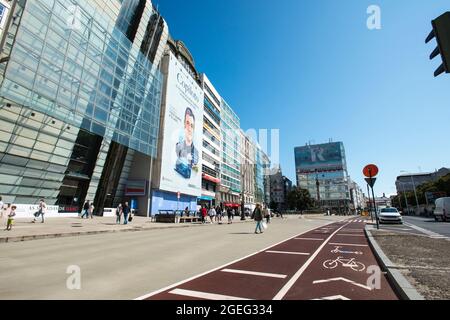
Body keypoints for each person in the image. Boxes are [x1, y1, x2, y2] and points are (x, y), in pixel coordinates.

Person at [175, 108, 199, 179]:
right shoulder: (178, 146)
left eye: (192, 126)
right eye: (187, 123)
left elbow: (195, 171)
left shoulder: (196, 153)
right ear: (184, 124)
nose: (189, 128)